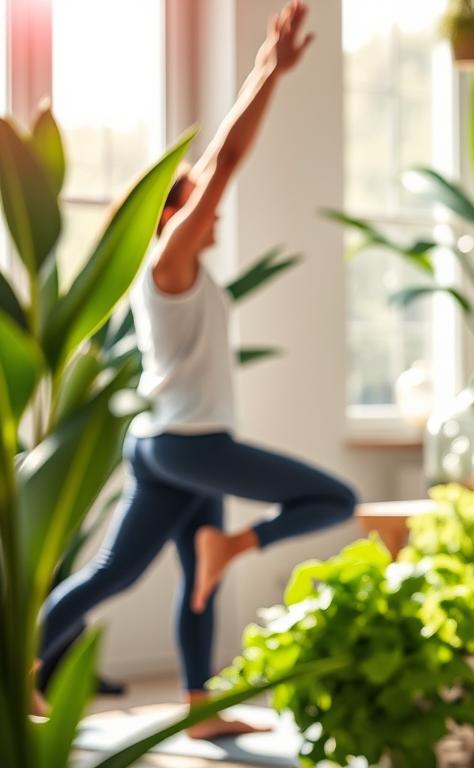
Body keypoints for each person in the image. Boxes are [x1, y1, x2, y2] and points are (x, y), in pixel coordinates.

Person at [37, 0, 356, 740]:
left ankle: (198, 709)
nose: (213, 216)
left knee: (171, 575)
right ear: (170, 215)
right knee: (331, 498)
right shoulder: (167, 261)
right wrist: (264, 70)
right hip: (191, 444)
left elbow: (217, 176)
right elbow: (226, 162)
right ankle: (25, 673)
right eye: (196, 208)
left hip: (173, 447)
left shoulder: (189, 275)